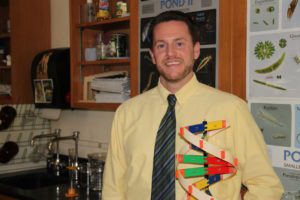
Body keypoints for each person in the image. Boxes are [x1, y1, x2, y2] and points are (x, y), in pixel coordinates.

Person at [102, 10, 284, 200]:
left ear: (196, 50)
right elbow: (113, 189)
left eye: (179, 43)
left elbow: (266, 186)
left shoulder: (232, 110)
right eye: (161, 45)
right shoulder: (127, 113)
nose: (170, 53)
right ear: (153, 55)